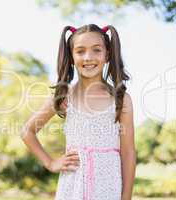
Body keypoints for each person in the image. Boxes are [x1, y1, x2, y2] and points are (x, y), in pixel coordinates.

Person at [21, 24, 136, 200]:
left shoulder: (120, 99)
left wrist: (126, 196)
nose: (88, 57)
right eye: (80, 51)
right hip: (72, 187)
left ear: (108, 55)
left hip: (108, 187)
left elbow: (128, 152)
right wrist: (50, 163)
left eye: (96, 50)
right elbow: (27, 131)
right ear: (72, 56)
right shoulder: (64, 96)